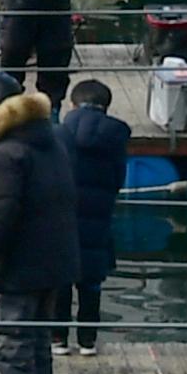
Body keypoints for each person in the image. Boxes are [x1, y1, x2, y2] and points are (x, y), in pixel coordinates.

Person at [0, 73, 75, 374]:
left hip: (22, 263)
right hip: (57, 258)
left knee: (14, 336)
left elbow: (4, 212)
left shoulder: (7, 153)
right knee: (39, 336)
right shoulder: (53, 140)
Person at [55, 77, 131, 353]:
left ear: (72, 104)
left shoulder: (58, 133)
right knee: (91, 284)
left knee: (61, 282)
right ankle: (87, 341)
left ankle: (57, 339)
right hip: (98, 220)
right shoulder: (115, 137)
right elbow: (117, 179)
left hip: (62, 221)